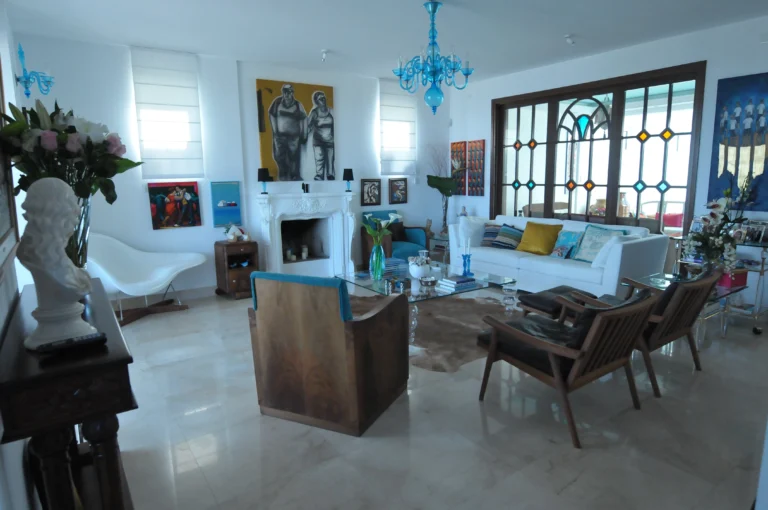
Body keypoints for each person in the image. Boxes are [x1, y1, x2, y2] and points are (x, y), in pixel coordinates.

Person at [268, 84, 307, 181]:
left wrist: (304, 134)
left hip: (294, 137)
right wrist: (275, 129)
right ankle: (283, 174)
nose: (287, 94)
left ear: (292, 93)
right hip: (279, 136)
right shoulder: (277, 102)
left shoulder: (298, 105)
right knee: (279, 156)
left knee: (293, 157)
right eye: (285, 92)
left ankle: (294, 176)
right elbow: (271, 114)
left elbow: (304, 119)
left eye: (289, 92)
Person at [306, 90, 335, 180]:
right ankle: (319, 176)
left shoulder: (331, 111)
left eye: (323, 98)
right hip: (318, 141)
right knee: (319, 160)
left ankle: (330, 175)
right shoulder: (314, 112)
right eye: (320, 99)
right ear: (316, 102)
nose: (323, 100)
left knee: (330, 160)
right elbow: (308, 126)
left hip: (330, 141)